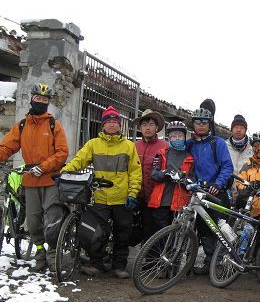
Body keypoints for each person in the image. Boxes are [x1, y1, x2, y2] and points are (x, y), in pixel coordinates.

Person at [0, 83, 69, 272]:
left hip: (50, 178)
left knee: (52, 221)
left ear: (48, 103)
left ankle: (52, 254)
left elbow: (62, 153)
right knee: (33, 222)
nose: (41, 102)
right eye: (38, 98)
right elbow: (7, 147)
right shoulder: (23, 125)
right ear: (32, 99)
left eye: (44, 99)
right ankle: (40, 253)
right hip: (30, 180)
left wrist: (43, 167)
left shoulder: (54, 125)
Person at [62, 106, 142, 279]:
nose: (112, 125)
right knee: (97, 232)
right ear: (103, 125)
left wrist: (132, 193)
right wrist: (66, 172)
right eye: (108, 122)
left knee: (123, 234)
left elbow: (135, 172)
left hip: (122, 198)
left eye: (115, 122)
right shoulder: (93, 144)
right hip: (100, 197)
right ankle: (96, 264)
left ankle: (119, 266)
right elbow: (79, 160)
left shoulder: (129, 146)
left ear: (120, 125)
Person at [186, 108, 234, 274]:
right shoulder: (190, 144)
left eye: (204, 122)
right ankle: (209, 263)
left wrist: (218, 183)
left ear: (209, 125)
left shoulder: (217, 143)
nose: (200, 125)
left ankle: (220, 263)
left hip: (216, 192)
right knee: (204, 228)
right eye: (197, 122)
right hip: (198, 192)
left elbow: (228, 166)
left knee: (219, 228)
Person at [148, 121, 195, 230]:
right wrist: (166, 173)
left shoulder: (190, 157)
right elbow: (154, 174)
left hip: (179, 204)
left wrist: (183, 179)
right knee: (159, 235)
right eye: (174, 136)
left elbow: (192, 180)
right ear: (169, 137)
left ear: (185, 137)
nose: (177, 138)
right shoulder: (162, 153)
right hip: (161, 202)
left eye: (180, 135)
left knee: (175, 236)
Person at [134, 109, 168, 241]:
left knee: (154, 232)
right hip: (136, 196)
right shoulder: (134, 146)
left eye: (151, 124)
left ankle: (151, 260)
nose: (147, 128)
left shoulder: (165, 147)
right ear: (140, 128)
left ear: (157, 127)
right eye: (144, 125)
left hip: (156, 198)